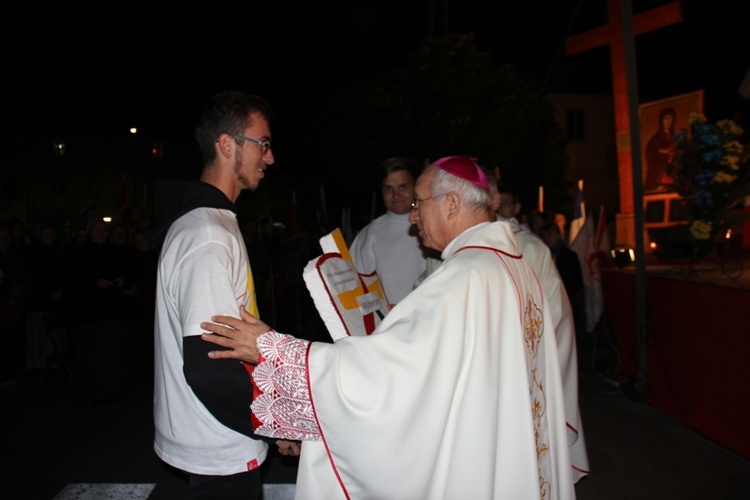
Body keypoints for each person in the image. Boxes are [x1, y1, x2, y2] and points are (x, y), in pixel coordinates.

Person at [201, 156, 575, 499]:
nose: (413, 217)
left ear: (451, 204)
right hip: (504, 444)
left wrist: (275, 350)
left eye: (419, 203)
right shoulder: (512, 265)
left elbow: (386, 376)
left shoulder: (465, 277)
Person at [152, 91, 299, 500]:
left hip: (218, 433)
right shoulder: (208, 235)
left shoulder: (212, 223)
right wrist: (274, 422)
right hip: (218, 442)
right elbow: (210, 364)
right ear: (227, 144)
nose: (269, 158)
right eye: (263, 144)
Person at [496, 183, 590, 483]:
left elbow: (554, 311)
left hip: (523, 362)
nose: (499, 207)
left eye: (506, 202)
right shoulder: (472, 244)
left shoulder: (530, 246)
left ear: (516, 208)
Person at [349, 157, 428, 305]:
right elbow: (357, 290)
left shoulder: (435, 226)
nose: (396, 195)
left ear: (416, 187)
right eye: (388, 188)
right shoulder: (367, 236)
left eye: (403, 187)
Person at [540, 222, 585, 334]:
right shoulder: (544, 254)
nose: (547, 239)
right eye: (545, 236)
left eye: (550, 235)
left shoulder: (569, 256)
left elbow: (577, 280)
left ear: (558, 235)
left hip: (567, 298)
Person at [644, 107, 677, 192]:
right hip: (660, 168)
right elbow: (652, 151)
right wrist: (665, 152)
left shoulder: (674, 136)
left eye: (671, 118)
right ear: (661, 121)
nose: (668, 121)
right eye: (666, 119)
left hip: (672, 166)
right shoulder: (656, 139)